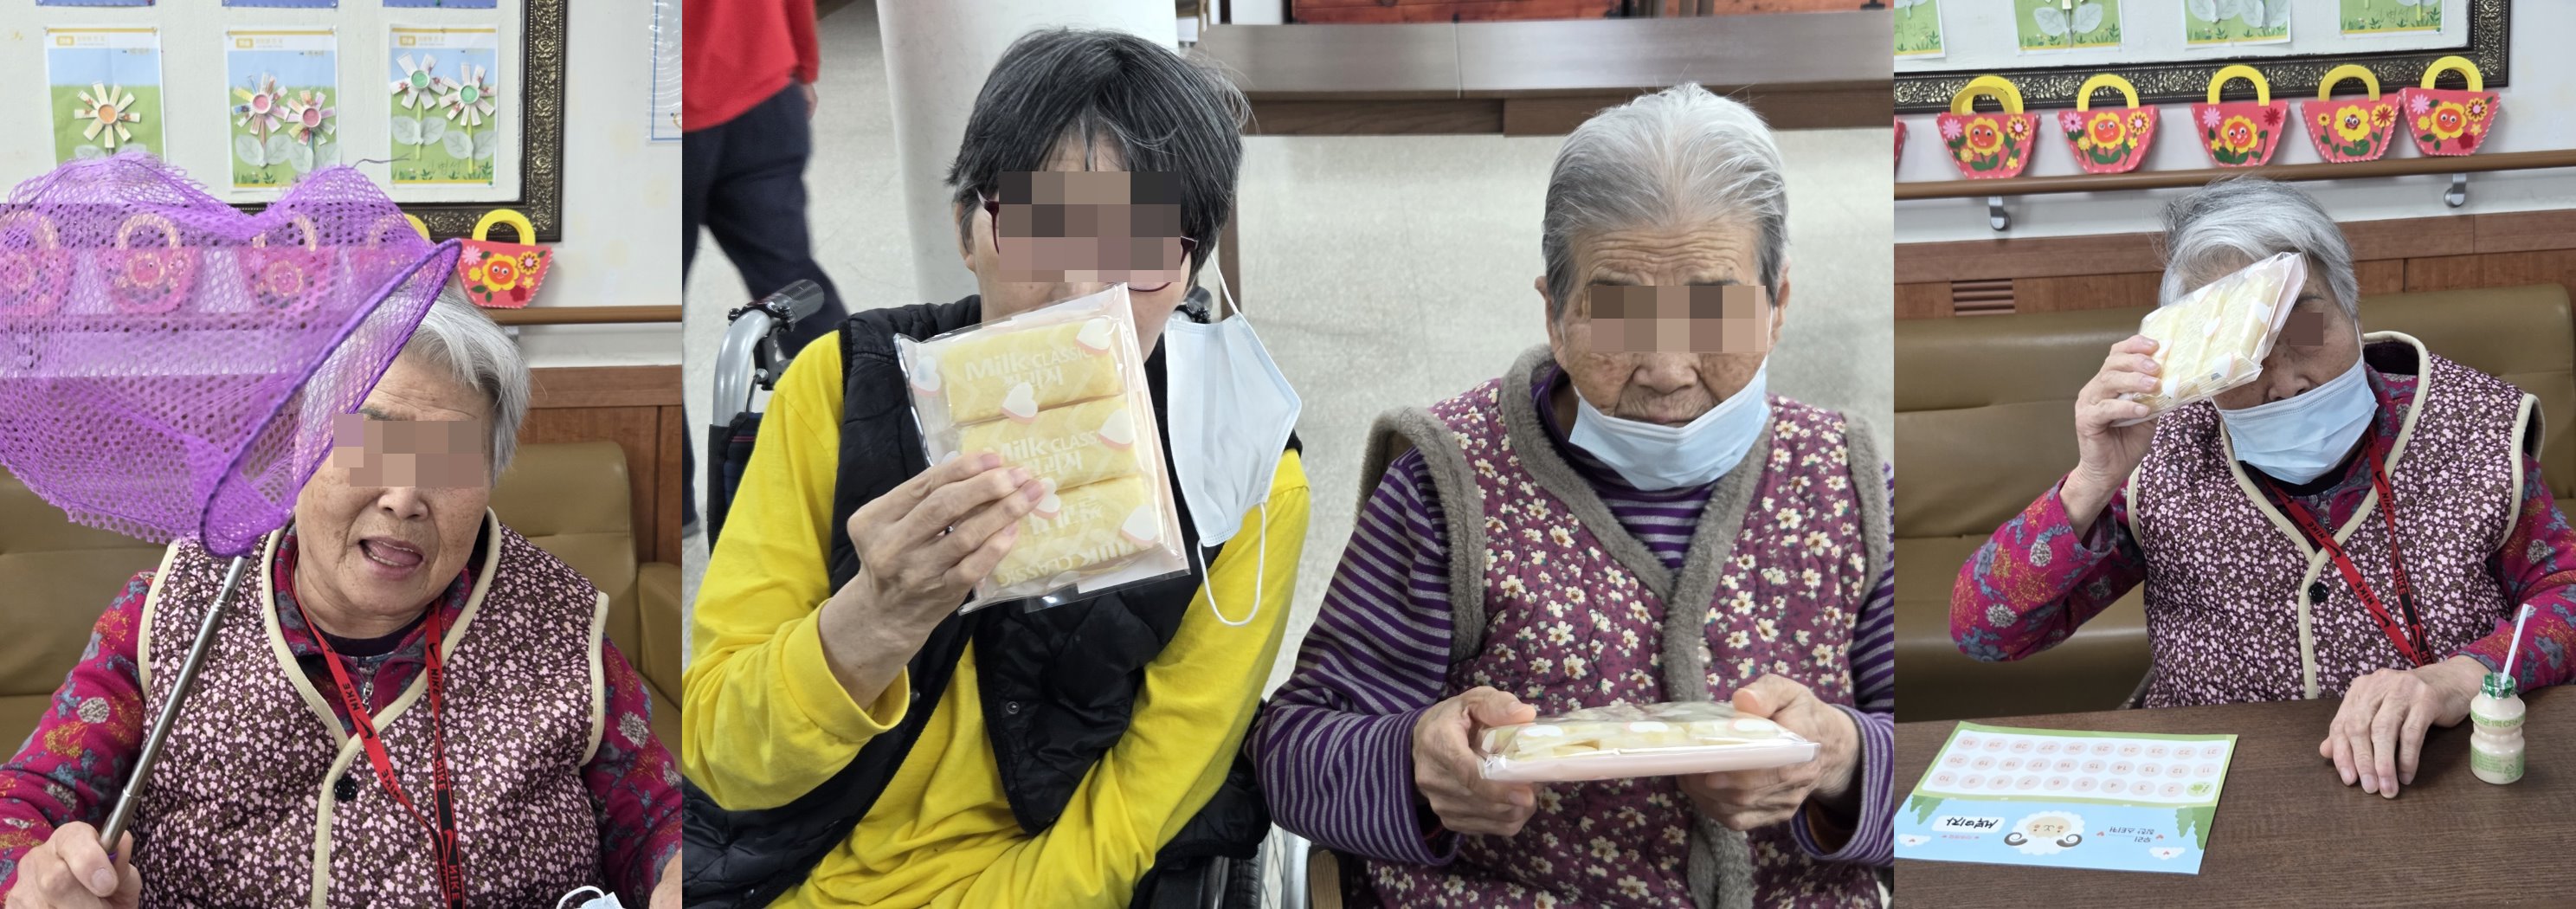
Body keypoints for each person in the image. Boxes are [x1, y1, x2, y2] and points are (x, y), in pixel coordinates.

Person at [682, 28, 1305, 908]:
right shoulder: (835, 386)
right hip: (786, 869)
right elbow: (722, 755)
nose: (1081, 291)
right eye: (1043, 227)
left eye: (1138, 245)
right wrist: (872, 621)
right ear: (967, 231)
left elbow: (1140, 808)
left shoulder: (1246, 474)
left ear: (1188, 269)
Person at [1253, 84, 1895, 907]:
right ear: (1555, 315)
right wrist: (1416, 763)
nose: (1667, 370)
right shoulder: (1446, 489)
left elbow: (1933, 774)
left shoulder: (1846, 485)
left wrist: (1842, 758)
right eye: (1620, 316)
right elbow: (1293, 750)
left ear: (1778, 306)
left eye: (1713, 314)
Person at [0, 291, 682, 906]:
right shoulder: (170, 609)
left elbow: (658, 818)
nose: (404, 498)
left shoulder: (559, 623)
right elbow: (26, 803)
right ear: (304, 449)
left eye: (449, 461)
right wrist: (38, 881)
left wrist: (680, 872)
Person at [1951, 177, 2576, 800]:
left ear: (2352, 306)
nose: (2285, 383)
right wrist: (2092, 479)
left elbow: (2564, 593)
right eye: (2242, 355)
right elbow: (1987, 631)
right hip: (2222, 788)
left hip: (2436, 776)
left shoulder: (2471, 425)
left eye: (2305, 328)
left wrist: (2462, 678)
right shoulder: (2164, 456)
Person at [682, 0, 849, 533]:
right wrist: (801, 63)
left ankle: (670, 504)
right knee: (793, 282)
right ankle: (867, 445)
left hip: (662, 111)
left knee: (650, 314)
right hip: (760, 80)